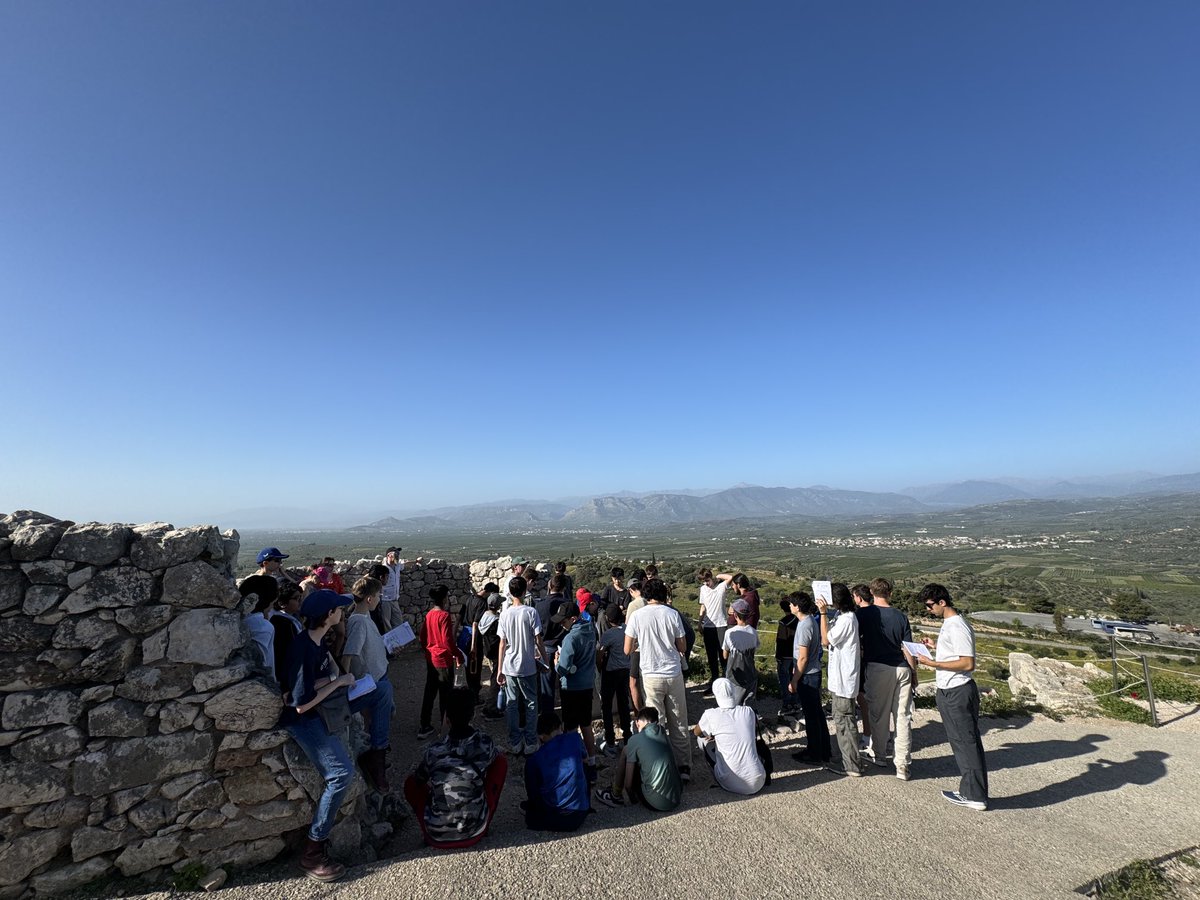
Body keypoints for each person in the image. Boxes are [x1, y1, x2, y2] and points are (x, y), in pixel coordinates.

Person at [281, 589, 393, 881]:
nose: (343, 612)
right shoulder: (304, 648)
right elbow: (300, 703)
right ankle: (313, 850)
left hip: (325, 703)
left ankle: (376, 755)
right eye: (338, 609)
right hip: (306, 719)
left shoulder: (316, 642)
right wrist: (339, 681)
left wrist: (337, 682)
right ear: (329, 615)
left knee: (382, 690)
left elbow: (313, 684)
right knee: (340, 774)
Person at [907, 584, 989, 810]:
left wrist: (933, 663)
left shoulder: (957, 626)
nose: (928, 610)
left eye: (930, 605)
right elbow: (956, 654)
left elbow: (967, 662)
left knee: (966, 743)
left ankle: (975, 795)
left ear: (942, 602)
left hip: (957, 689)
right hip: (951, 689)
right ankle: (970, 790)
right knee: (962, 742)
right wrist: (935, 647)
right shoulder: (949, 625)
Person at [405, 687, 508, 848]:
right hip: (474, 830)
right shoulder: (484, 744)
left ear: (447, 718)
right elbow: (495, 760)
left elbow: (418, 780)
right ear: (472, 715)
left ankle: (433, 821)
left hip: (436, 835)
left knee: (410, 784)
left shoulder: (433, 752)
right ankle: (484, 813)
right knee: (500, 762)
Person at [624, 578, 690, 782]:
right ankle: (684, 766)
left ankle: (660, 765)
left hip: (651, 674)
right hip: (672, 672)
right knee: (679, 720)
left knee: (656, 722)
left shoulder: (637, 615)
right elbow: (682, 647)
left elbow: (627, 649)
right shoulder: (672, 614)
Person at [859, 577, 916, 780]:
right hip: (901, 668)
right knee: (903, 717)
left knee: (879, 715)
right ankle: (902, 765)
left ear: (872, 593)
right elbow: (908, 648)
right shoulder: (901, 616)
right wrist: (914, 672)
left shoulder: (864, 614)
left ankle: (880, 755)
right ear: (890, 593)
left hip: (878, 667)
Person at [594, 706, 682, 811]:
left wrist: (633, 799)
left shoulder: (634, 740)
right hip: (677, 798)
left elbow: (628, 784)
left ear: (637, 723)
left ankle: (615, 795)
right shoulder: (662, 732)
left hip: (656, 802)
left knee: (627, 751)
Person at [693, 678, 769, 795]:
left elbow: (696, 732)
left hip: (731, 783)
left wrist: (715, 734)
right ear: (733, 692)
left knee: (701, 740)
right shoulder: (748, 711)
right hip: (759, 780)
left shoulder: (710, 714)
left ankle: (718, 778)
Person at [496, 575, 545, 755]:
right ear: (525, 592)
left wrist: (499, 669)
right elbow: (538, 640)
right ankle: (531, 741)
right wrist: (545, 661)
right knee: (531, 703)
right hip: (528, 665)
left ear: (510, 592)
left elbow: (502, 643)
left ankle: (515, 741)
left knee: (512, 704)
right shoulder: (531, 612)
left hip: (509, 666)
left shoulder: (505, 614)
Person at [819, 583, 863, 777]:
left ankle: (852, 765)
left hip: (845, 681)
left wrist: (822, 614)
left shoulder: (847, 620)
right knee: (842, 720)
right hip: (841, 680)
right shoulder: (842, 617)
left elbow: (825, 640)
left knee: (845, 722)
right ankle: (848, 758)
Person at [523, 711, 591, 831]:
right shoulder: (574, 738)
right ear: (562, 727)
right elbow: (586, 761)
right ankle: (586, 802)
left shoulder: (534, 759)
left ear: (541, 737)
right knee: (583, 765)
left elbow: (533, 793)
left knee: (530, 815)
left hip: (555, 817)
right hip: (580, 813)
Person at [788, 592, 832, 766]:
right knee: (817, 714)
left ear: (797, 607)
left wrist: (794, 679)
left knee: (811, 716)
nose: (790, 606)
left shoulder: (804, 625)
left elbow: (803, 657)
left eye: (792, 604)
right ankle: (824, 750)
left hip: (808, 675)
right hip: (812, 673)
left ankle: (814, 753)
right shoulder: (810, 622)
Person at [553, 600, 599, 765]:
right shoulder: (591, 630)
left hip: (571, 688)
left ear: (572, 619)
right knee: (586, 724)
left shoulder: (571, 638)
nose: (561, 625)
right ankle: (592, 759)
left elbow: (562, 669)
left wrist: (556, 663)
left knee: (570, 727)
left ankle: (573, 762)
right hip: (587, 685)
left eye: (563, 621)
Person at [418, 584, 456, 740]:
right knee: (445, 694)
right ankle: (445, 726)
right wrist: (457, 654)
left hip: (431, 658)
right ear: (445, 598)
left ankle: (424, 725)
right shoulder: (444, 616)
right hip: (444, 660)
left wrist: (428, 650)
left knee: (430, 691)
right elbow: (448, 640)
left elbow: (422, 636)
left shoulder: (429, 615)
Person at [597, 604, 632, 756]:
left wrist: (599, 667)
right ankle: (628, 737)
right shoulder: (628, 629)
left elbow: (600, 653)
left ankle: (610, 740)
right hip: (625, 670)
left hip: (610, 672)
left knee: (607, 705)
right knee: (624, 703)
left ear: (609, 619)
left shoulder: (609, 634)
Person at [697, 569, 733, 694]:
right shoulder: (703, 589)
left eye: (707, 580)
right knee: (711, 656)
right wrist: (699, 621)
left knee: (723, 654)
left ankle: (727, 683)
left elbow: (730, 577)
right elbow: (703, 606)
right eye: (703, 581)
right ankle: (714, 682)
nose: (706, 584)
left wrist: (718, 576)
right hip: (708, 626)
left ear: (711, 578)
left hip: (721, 625)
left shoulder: (721, 587)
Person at [239, 575, 279, 682]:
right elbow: (266, 659)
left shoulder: (238, 619)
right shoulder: (263, 627)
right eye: (272, 604)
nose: (271, 609)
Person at [851, 583, 875, 753]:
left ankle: (868, 736)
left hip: (864, 661)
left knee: (863, 699)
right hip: (881, 661)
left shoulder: (858, 616)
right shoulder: (880, 612)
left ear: (858, 597)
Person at [722, 598, 759, 707]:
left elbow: (725, 656)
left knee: (734, 705)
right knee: (748, 705)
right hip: (750, 674)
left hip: (735, 676)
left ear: (735, 615)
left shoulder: (729, 633)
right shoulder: (753, 632)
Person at [272, 580, 305, 690]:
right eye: (296, 599)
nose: (299, 601)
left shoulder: (289, 619)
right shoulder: (283, 624)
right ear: (282, 602)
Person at [478, 590, 504, 719]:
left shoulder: (484, 616)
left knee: (494, 678)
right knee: (495, 681)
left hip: (487, 651)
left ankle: (492, 705)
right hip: (496, 653)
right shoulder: (496, 621)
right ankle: (490, 708)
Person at [775, 596, 801, 716]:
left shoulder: (784, 622)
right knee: (794, 678)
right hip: (795, 654)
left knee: (784, 680)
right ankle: (796, 703)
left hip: (785, 655)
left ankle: (786, 705)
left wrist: (778, 656)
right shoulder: (799, 620)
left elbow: (780, 641)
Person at [379, 547, 405, 631]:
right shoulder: (383, 568)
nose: (397, 556)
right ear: (388, 555)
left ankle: (397, 642)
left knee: (399, 622)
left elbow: (405, 564)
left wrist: (416, 562)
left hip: (394, 599)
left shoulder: (397, 566)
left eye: (398, 554)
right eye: (395, 554)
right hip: (385, 599)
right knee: (386, 624)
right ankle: (388, 643)